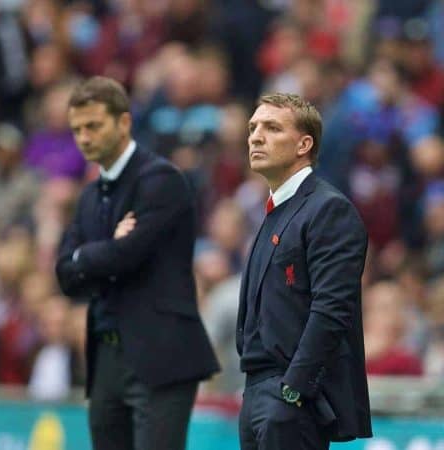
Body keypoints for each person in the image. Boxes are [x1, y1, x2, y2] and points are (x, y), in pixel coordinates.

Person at [56, 76, 219, 450]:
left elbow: (127, 255)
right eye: (77, 129)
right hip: (106, 357)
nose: (84, 137)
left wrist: (89, 255)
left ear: (124, 122)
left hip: (160, 355)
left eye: (93, 125)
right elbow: (65, 275)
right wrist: (104, 248)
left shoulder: (160, 180)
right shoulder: (89, 196)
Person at [236, 93, 372, 450]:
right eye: (252, 128)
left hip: (290, 398)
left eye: (271, 127)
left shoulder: (328, 210)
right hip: (257, 393)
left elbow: (332, 309)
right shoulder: (274, 211)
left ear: (303, 144)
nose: (255, 136)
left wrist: (293, 389)